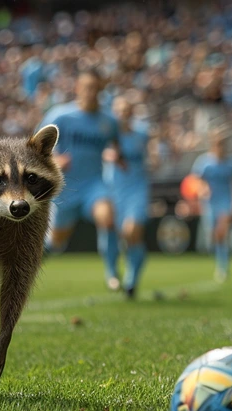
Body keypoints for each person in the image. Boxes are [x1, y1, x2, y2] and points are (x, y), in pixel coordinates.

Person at [38, 69, 124, 291]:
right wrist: (55, 159)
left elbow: (116, 146)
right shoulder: (60, 116)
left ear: (101, 90)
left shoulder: (108, 121)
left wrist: (116, 156)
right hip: (66, 189)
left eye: (95, 88)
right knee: (56, 243)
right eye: (87, 87)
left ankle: (112, 273)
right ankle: (32, 262)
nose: (91, 92)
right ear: (77, 88)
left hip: (94, 185)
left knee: (108, 217)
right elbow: (36, 148)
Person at [107, 96, 153, 299]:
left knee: (131, 230)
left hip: (137, 189)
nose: (123, 114)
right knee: (120, 236)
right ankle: (121, 271)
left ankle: (131, 279)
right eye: (119, 110)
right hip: (114, 189)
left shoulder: (141, 134)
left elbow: (152, 155)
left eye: (126, 110)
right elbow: (103, 154)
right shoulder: (106, 136)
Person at [191, 129, 232, 283]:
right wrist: (202, 188)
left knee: (221, 232)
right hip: (210, 203)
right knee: (213, 236)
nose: (220, 146)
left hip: (225, 201)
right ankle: (221, 259)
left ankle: (222, 267)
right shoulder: (204, 163)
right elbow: (196, 180)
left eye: (222, 143)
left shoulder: (231, 164)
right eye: (217, 143)